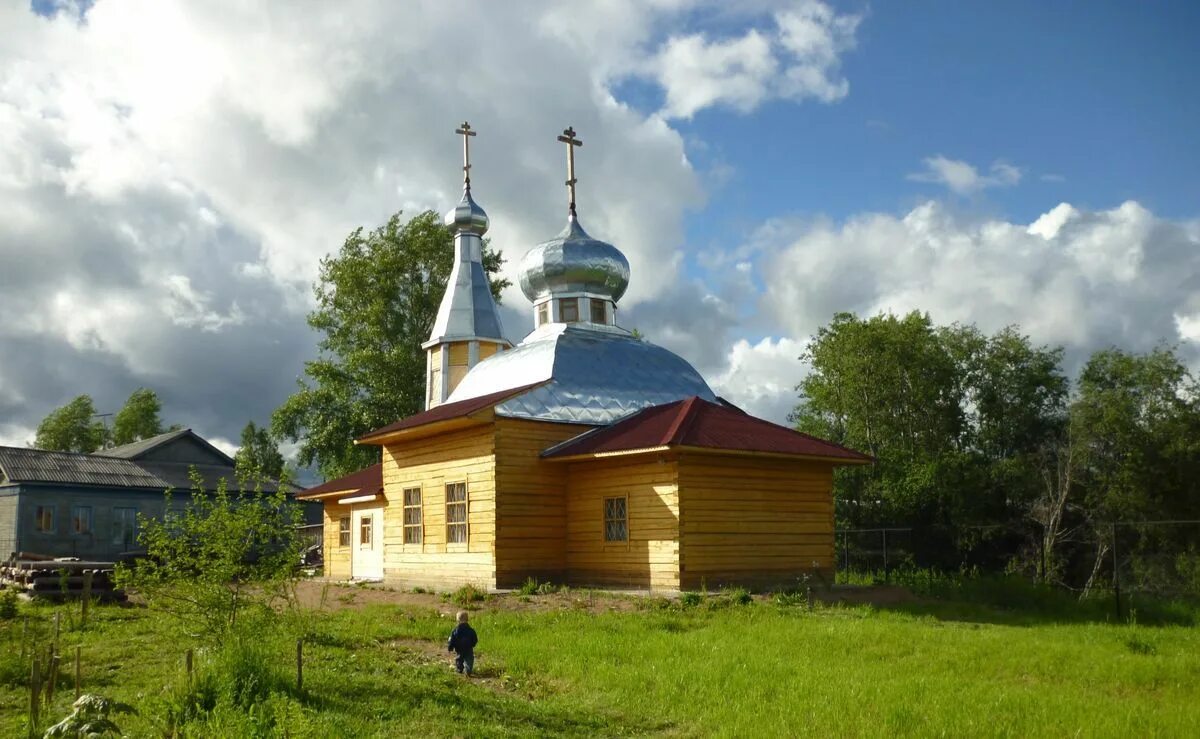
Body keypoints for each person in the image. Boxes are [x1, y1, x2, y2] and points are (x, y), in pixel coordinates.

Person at [447, 611, 478, 676]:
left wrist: (450, 647)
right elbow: (475, 639)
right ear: (467, 620)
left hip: (459, 648)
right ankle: (468, 669)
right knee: (469, 659)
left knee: (459, 659)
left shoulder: (455, 631)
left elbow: (451, 640)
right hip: (468, 648)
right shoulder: (471, 630)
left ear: (457, 620)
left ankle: (459, 669)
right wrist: (472, 644)